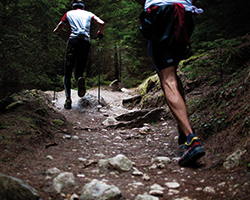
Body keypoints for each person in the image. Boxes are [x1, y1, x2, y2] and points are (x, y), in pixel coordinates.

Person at [135, 0, 205, 166]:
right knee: (172, 73)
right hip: (185, 15)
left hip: (161, 13)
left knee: (167, 78)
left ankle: (191, 140)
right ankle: (183, 128)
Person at [53, 0, 105, 109]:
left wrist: (56, 31)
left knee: (67, 71)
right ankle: (79, 78)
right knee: (80, 68)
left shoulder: (69, 14)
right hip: (85, 42)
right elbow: (101, 23)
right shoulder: (89, 14)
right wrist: (101, 33)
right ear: (83, 7)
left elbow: (60, 26)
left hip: (73, 41)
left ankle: (68, 100)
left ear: (73, 7)